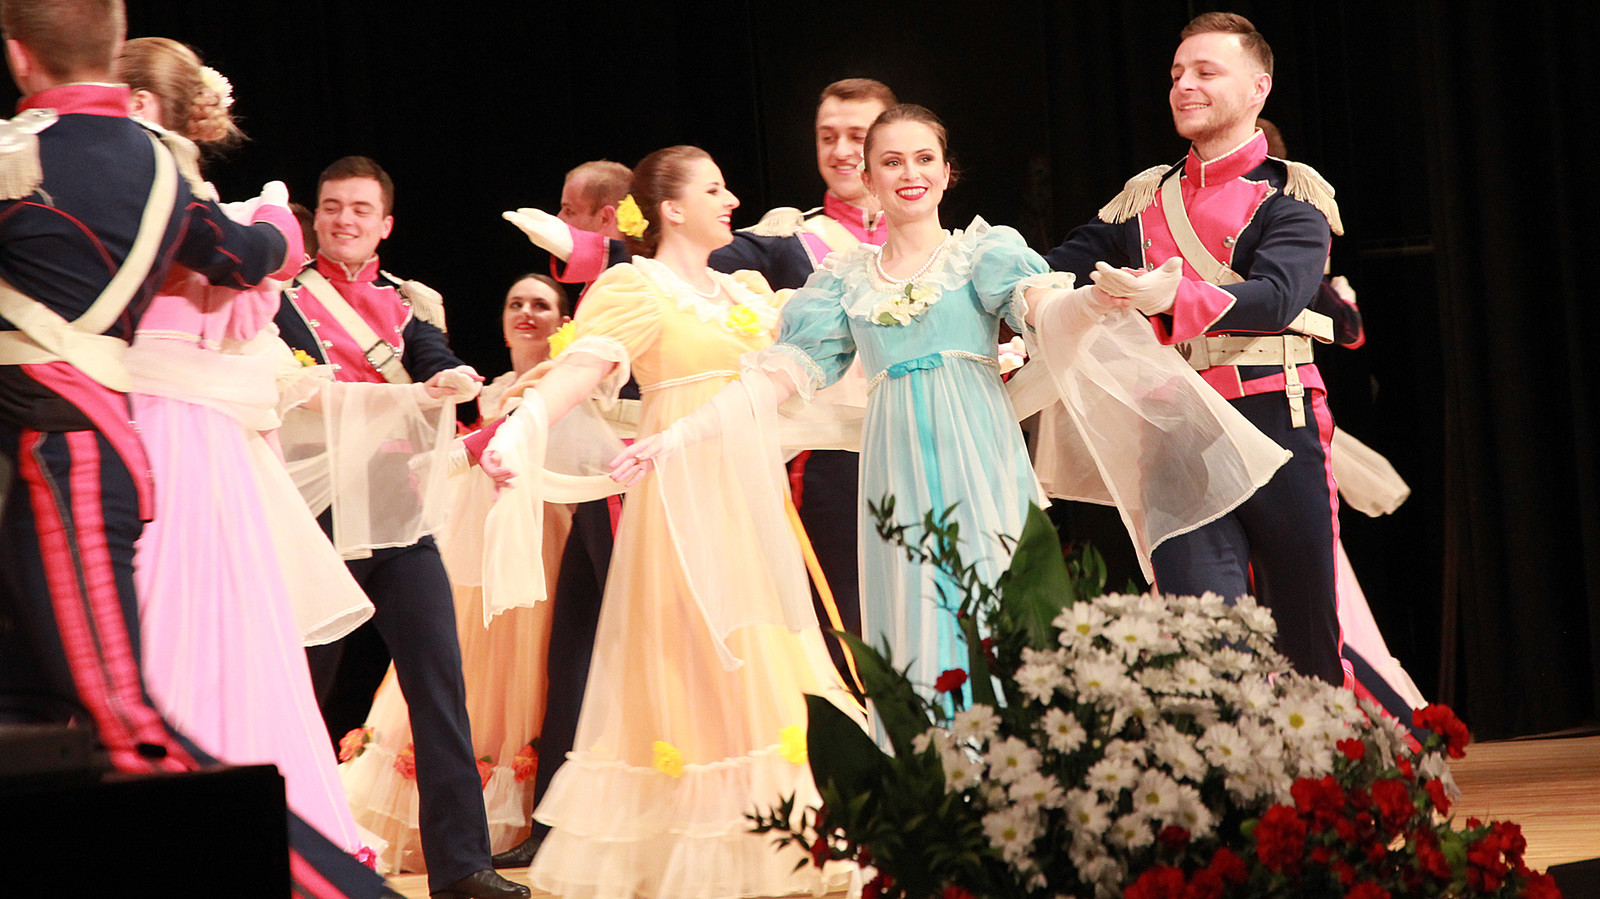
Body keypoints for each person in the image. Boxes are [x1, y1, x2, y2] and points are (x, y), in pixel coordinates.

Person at [610, 106, 1285, 719]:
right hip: (895, 471)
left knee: (996, 615)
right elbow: (775, 378)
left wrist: (1100, 300)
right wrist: (678, 434)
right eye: (892, 162)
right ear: (869, 180)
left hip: (978, 461)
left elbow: (1045, 312)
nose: (910, 174)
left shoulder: (981, 253)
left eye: (924, 158)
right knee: (913, 623)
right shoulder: (843, 281)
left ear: (945, 171)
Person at [0, 3, 387, 896]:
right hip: (84, 447)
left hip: (68, 448)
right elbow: (251, 253)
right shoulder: (157, 171)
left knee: (129, 725)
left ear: (18, 56)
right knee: (37, 717)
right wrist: (281, 222)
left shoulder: (25, 155)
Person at [477, 145, 861, 899]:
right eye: (713, 189)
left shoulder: (746, 290)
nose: (730, 200)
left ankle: (776, 839)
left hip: (750, 498)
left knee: (768, 648)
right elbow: (580, 370)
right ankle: (698, 848)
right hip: (681, 500)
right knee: (694, 659)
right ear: (671, 209)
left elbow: (803, 370)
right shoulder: (636, 285)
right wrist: (522, 426)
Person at [504, 78, 898, 687]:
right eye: (828, 137)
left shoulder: (936, 242)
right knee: (836, 632)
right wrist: (588, 248)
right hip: (825, 460)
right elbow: (678, 264)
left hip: (919, 443)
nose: (842, 151)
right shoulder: (791, 239)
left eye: (857, 136)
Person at [114, 34, 374, 859]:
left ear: (141, 104)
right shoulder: (212, 210)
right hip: (204, 432)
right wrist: (269, 226)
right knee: (223, 624)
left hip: (158, 425)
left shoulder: (150, 196)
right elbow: (241, 317)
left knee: (164, 613)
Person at [1044, 12, 1346, 685]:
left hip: (1273, 413)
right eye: (1178, 73)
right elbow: (1054, 267)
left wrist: (1173, 299)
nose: (1184, 85)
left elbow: (1278, 297)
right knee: (1202, 643)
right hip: (1176, 427)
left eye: (1206, 72)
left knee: (1304, 639)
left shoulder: (1292, 196)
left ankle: (1328, 758)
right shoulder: (1141, 200)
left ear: (1258, 88)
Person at [275, 157, 528, 899]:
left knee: (439, 683)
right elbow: (294, 390)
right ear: (316, 217)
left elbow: (434, 360)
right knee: (301, 691)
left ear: (384, 224)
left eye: (360, 209)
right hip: (319, 514)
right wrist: (409, 395)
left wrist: (450, 379)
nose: (344, 220)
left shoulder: (409, 301)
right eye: (332, 207)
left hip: (396, 510)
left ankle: (462, 866)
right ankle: (292, 855)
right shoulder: (283, 299)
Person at [340, 274, 574, 874]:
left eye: (541, 304)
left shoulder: (563, 386)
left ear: (563, 322)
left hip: (539, 539)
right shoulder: (490, 390)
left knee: (531, 667)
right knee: (459, 667)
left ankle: (523, 817)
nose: (526, 312)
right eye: (515, 303)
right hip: (471, 547)